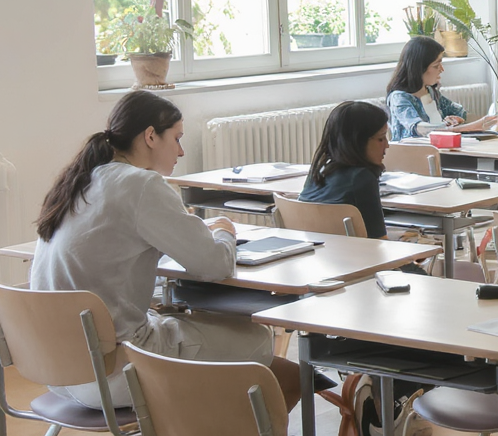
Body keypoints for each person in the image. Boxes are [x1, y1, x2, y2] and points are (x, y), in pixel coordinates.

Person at [30, 90, 301, 410]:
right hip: (112, 372)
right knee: (256, 340)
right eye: (177, 138)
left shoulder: (80, 180)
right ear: (150, 137)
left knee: (257, 364)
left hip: (57, 370)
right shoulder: (141, 185)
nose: (182, 151)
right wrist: (226, 231)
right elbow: (214, 265)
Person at [299, 101, 390, 239]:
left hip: (318, 257)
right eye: (381, 138)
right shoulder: (362, 178)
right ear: (358, 141)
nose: (387, 145)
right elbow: (379, 242)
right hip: (361, 258)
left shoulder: (317, 171)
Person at [386, 36, 496, 140]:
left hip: (439, 151)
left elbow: (463, 114)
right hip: (413, 156)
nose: (441, 69)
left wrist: (494, 120)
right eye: (436, 66)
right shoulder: (399, 98)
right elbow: (418, 128)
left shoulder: (431, 93)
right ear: (418, 68)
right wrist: (456, 128)